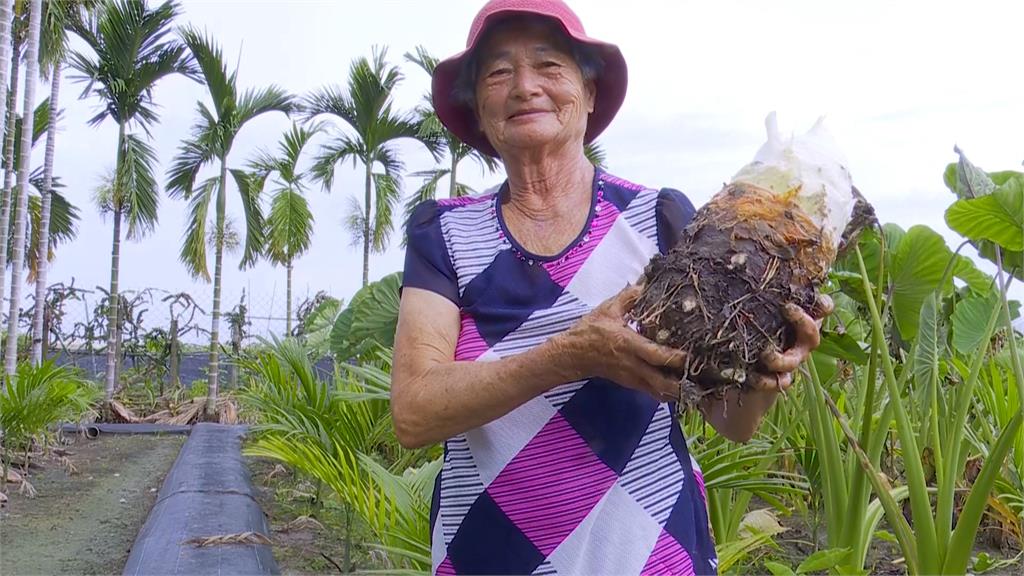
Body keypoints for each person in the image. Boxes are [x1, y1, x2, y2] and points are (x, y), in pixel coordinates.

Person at [391, 1, 829, 574]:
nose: (525, 87)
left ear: (589, 94)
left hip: (648, 551)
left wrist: (772, 365)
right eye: (498, 73)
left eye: (549, 66)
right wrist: (571, 356)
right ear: (478, 107)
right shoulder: (444, 233)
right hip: (491, 551)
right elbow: (415, 412)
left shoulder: (659, 219)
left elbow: (732, 420)